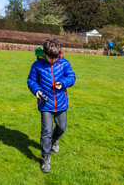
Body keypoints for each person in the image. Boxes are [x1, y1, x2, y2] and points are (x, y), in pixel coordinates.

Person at [27, 37, 76, 173]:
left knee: (62, 127)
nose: (52, 60)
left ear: (59, 53)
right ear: (45, 54)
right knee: (46, 132)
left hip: (61, 103)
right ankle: (46, 158)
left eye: (55, 57)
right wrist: (36, 90)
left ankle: (55, 140)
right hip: (45, 104)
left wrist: (63, 82)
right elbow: (31, 81)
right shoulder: (37, 65)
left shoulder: (64, 63)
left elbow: (72, 77)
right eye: (50, 57)